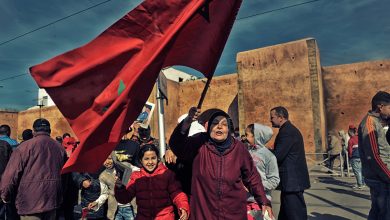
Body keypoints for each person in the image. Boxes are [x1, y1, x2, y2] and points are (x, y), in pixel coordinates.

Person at [169, 107, 273, 219]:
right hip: (204, 213)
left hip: (233, 213)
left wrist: (264, 201)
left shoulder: (239, 149)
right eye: (215, 123)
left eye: (224, 124)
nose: (219, 126)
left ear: (228, 129)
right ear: (209, 128)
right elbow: (177, 145)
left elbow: (252, 177)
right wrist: (188, 120)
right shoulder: (199, 143)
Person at [0, 118, 67, 219]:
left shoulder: (24, 147)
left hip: (30, 203)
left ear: (33, 131)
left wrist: (5, 195)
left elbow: (10, 175)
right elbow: (66, 176)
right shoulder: (60, 148)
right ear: (49, 131)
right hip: (52, 201)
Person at [115, 144, 189, 220]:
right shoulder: (136, 177)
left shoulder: (167, 174)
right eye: (146, 159)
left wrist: (183, 207)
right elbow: (124, 199)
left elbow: (177, 194)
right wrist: (120, 187)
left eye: (153, 158)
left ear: (158, 159)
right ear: (141, 160)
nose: (150, 162)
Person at [270, 106, 310, 220]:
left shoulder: (287, 132)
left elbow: (278, 155)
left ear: (281, 117)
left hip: (292, 181)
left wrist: (264, 154)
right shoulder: (287, 130)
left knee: (294, 213)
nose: (270, 120)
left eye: (272, 117)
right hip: (291, 181)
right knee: (287, 212)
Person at [358, 91, 390, 219]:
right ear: (380, 106)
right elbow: (374, 156)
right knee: (383, 213)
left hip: (381, 175)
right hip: (379, 177)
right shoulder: (369, 124)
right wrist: (388, 176)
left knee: (378, 211)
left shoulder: (377, 121)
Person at [245, 123, 280, 219]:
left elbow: (274, 181)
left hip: (262, 202)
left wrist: (255, 186)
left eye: (247, 135)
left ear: (256, 136)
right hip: (245, 200)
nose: (245, 138)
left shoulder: (269, 156)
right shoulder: (245, 152)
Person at [99, 153, 135, 220]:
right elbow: (104, 193)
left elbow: (139, 171)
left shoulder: (125, 166)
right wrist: (97, 202)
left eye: (109, 158)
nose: (107, 162)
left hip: (130, 207)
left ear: (114, 158)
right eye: (104, 160)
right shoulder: (102, 176)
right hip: (115, 210)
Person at [347, 125, 365, 189]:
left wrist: (350, 157)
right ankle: (363, 183)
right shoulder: (359, 138)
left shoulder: (350, 140)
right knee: (362, 170)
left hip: (354, 157)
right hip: (361, 156)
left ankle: (359, 184)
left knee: (357, 171)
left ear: (350, 133)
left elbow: (350, 150)